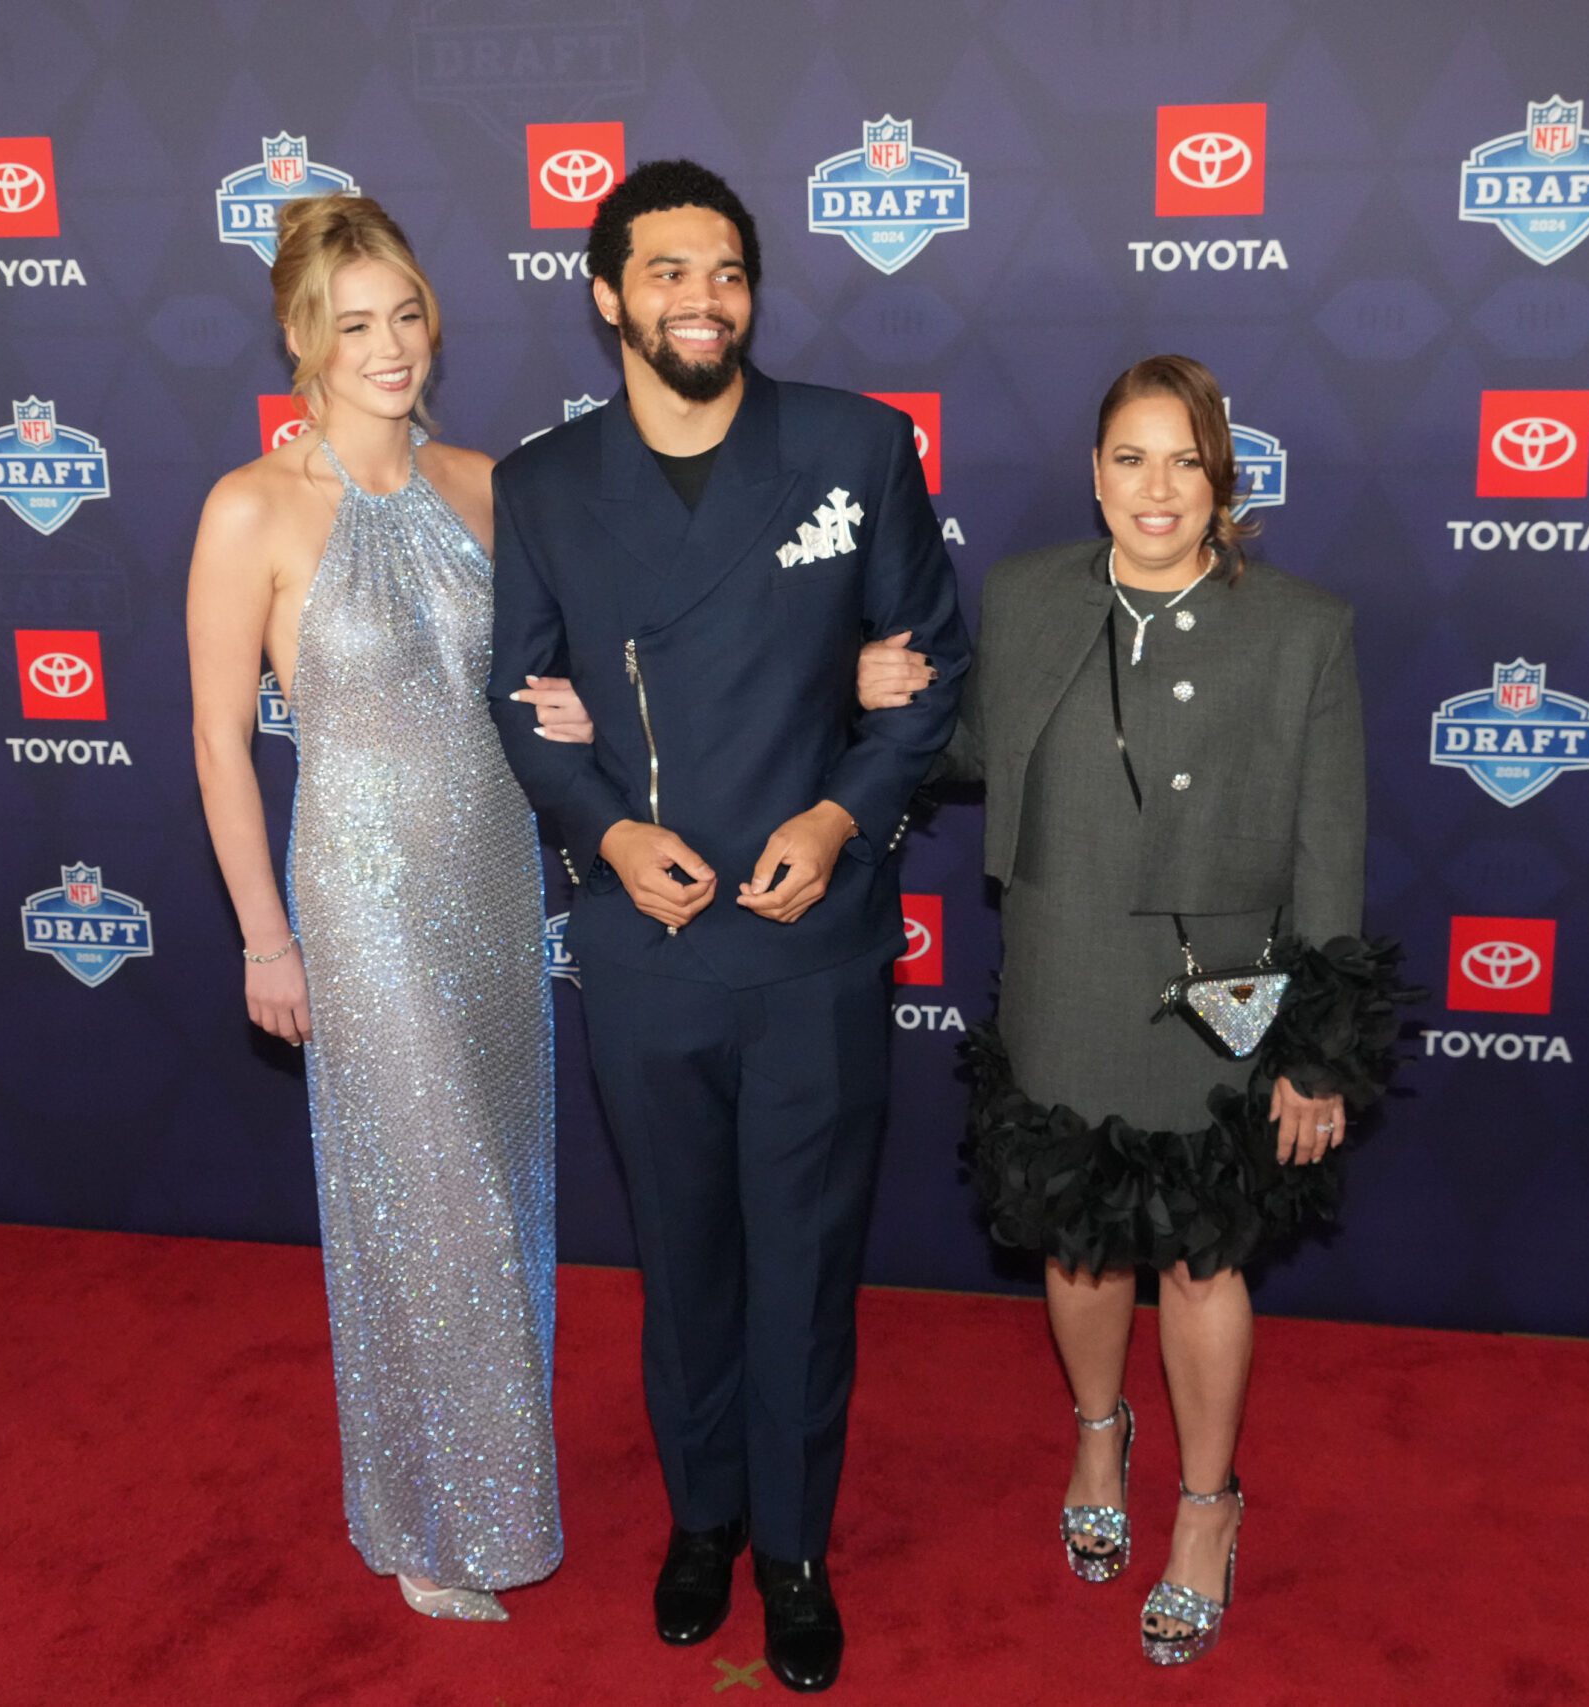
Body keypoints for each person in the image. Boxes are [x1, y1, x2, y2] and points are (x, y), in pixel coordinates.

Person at [484, 159, 969, 1693]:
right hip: (644, 946)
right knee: (684, 1258)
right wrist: (608, 832)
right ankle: (703, 1525)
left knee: (805, 1263)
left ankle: (793, 1549)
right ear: (608, 296)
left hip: (814, 943)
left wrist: (837, 819)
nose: (704, 300)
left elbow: (932, 668)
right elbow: (523, 701)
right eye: (669, 273)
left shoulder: (855, 446)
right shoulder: (544, 486)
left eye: (728, 272)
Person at [860, 354, 1407, 1666]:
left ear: (1223, 476)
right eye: (1128, 459)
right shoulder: (1030, 593)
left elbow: (1330, 857)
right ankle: (1100, 1439)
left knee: (1204, 1257)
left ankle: (1209, 1508)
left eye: (1183, 460)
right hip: (1062, 974)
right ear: (1093, 471)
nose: (1154, 489)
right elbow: (979, 752)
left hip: (1221, 1002)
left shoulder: (1303, 628)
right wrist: (885, 699)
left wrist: (1320, 1055)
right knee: (1079, 1241)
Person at [185, 192, 573, 1623]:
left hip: (493, 877)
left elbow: (538, 686)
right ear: (304, 338)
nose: (390, 343)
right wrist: (263, 937)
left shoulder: (487, 487)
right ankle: (431, 1514)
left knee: (505, 1200)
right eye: (355, 323)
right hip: (360, 894)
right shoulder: (252, 506)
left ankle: (481, 1489)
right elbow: (223, 741)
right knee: (427, 1210)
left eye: (405, 311)